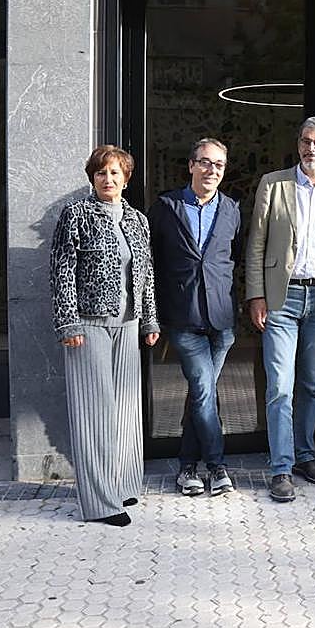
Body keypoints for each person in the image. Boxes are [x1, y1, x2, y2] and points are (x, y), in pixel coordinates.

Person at [245, 117, 315, 503]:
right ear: (298, 145)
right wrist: (255, 295)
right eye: (306, 142)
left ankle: (304, 455)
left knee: (311, 385)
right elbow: (256, 243)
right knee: (280, 386)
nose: (311, 149)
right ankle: (280, 467)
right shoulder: (274, 184)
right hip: (281, 297)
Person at [51, 145, 159, 527]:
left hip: (128, 324)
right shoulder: (76, 215)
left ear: (125, 179)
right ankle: (99, 503)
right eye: (101, 173)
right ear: (92, 178)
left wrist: (149, 322)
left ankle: (124, 484)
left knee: (127, 412)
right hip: (88, 325)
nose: (108, 179)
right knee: (94, 415)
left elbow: (145, 274)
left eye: (115, 173)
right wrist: (69, 323)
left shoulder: (137, 220)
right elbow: (62, 271)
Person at [148, 138, 242, 498]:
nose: (211, 170)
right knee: (203, 391)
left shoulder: (232, 209)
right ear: (190, 165)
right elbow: (150, 262)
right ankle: (217, 468)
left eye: (218, 165)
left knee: (200, 395)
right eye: (204, 162)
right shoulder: (166, 207)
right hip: (183, 318)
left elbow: (231, 257)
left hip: (221, 320)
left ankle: (187, 467)